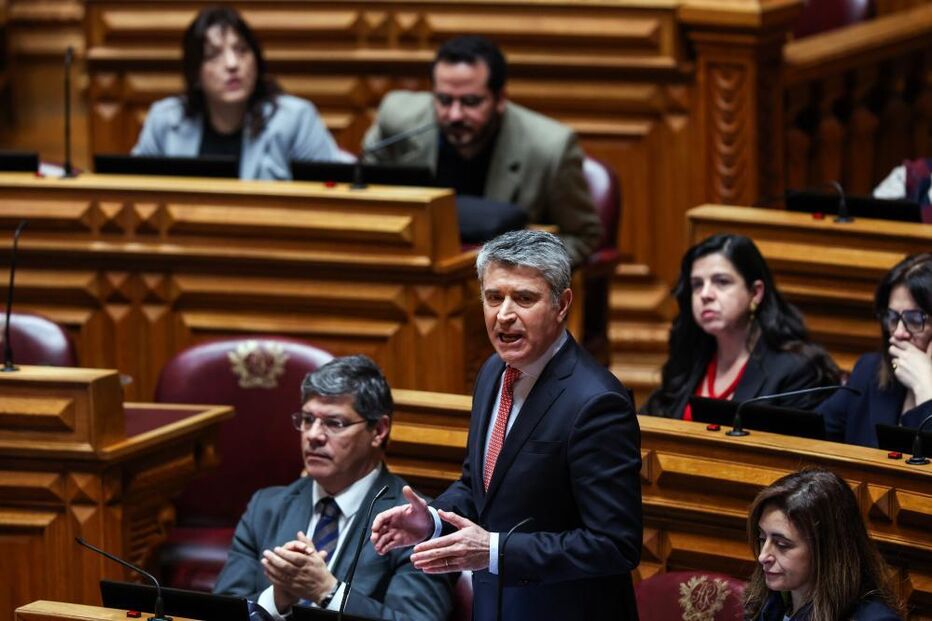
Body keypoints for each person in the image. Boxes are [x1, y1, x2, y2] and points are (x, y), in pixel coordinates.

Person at [370, 229, 642, 620]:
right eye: (493, 297)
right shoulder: (494, 372)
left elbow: (615, 544)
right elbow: (479, 488)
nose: (504, 314)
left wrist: (495, 551)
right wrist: (430, 520)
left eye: (524, 298)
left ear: (562, 303)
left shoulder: (597, 403)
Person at [212, 355, 454, 621]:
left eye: (334, 423)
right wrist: (278, 597)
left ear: (379, 430)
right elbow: (221, 612)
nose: (314, 435)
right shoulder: (266, 507)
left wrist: (329, 593)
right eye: (307, 419)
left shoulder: (418, 523)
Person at [361, 35, 602, 266]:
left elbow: (583, 236)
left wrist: (521, 271)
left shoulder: (550, 148)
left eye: (471, 102)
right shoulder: (396, 119)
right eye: (444, 100)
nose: (454, 115)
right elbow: (369, 203)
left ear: (500, 100)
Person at [643, 234, 840, 420]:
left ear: (755, 293)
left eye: (721, 282)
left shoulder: (797, 371)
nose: (705, 294)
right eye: (697, 284)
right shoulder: (690, 358)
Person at [132, 6, 342, 179]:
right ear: (195, 73)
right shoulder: (165, 120)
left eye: (241, 50)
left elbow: (332, 190)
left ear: (256, 61)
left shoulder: (295, 119)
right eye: (213, 56)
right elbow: (133, 192)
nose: (232, 64)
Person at [746, 468, 903, 620]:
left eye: (781, 544)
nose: (762, 556)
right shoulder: (769, 601)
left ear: (826, 549)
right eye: (762, 538)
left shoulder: (875, 619)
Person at [818, 254, 932, 447]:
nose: (898, 332)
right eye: (892, 317)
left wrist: (926, 389)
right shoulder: (869, 371)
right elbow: (812, 436)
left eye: (914, 319)